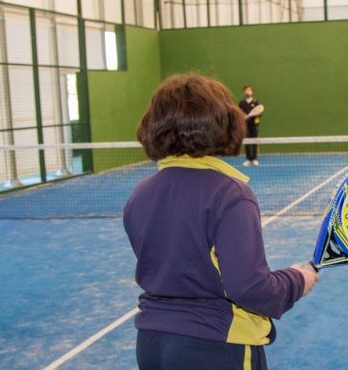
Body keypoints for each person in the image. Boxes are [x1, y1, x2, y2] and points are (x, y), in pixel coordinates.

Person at [125, 74, 318, 370]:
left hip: (151, 345)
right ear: (224, 123)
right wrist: (297, 279)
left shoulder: (140, 194)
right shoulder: (230, 194)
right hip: (216, 346)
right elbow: (251, 289)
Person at [239, 85, 265, 167]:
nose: (248, 92)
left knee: (254, 141)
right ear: (244, 92)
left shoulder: (256, 103)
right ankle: (248, 159)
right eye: (246, 90)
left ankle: (255, 159)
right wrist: (243, 116)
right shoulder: (241, 103)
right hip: (245, 125)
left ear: (252, 92)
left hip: (254, 125)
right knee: (247, 142)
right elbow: (239, 113)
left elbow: (260, 113)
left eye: (249, 90)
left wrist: (250, 116)